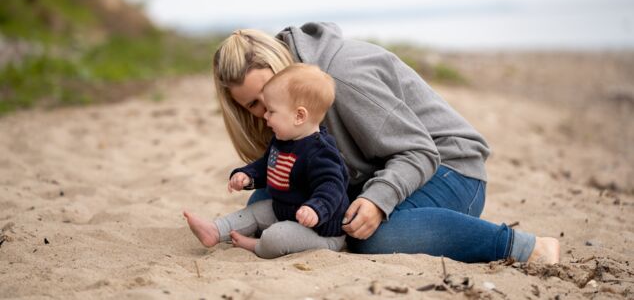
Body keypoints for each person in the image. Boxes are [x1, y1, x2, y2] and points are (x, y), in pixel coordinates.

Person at [202, 22, 560, 264]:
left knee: (368, 238)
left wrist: (376, 200)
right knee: (264, 201)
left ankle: (525, 246)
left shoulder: (342, 77)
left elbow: (420, 150)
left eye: (266, 96)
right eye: (252, 105)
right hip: (381, 171)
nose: (264, 111)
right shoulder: (286, 102)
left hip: (450, 170)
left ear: (282, 66)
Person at [183, 63, 350, 259]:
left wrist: (316, 209)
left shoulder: (321, 153)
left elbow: (332, 186)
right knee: (255, 211)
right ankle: (216, 230)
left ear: (299, 116)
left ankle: (256, 245)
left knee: (277, 237)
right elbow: (265, 165)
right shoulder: (282, 141)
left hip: (320, 231)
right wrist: (247, 175)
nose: (265, 115)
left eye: (272, 111)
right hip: (286, 211)